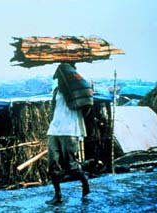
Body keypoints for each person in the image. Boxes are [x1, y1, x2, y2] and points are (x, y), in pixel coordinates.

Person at [46, 63, 91, 205]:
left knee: (70, 166)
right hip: (55, 129)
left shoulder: (79, 88)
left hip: (70, 130)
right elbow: (53, 108)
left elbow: (87, 106)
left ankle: (84, 180)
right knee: (53, 164)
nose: (59, 79)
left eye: (61, 76)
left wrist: (78, 121)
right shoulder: (56, 91)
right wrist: (53, 122)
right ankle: (58, 195)